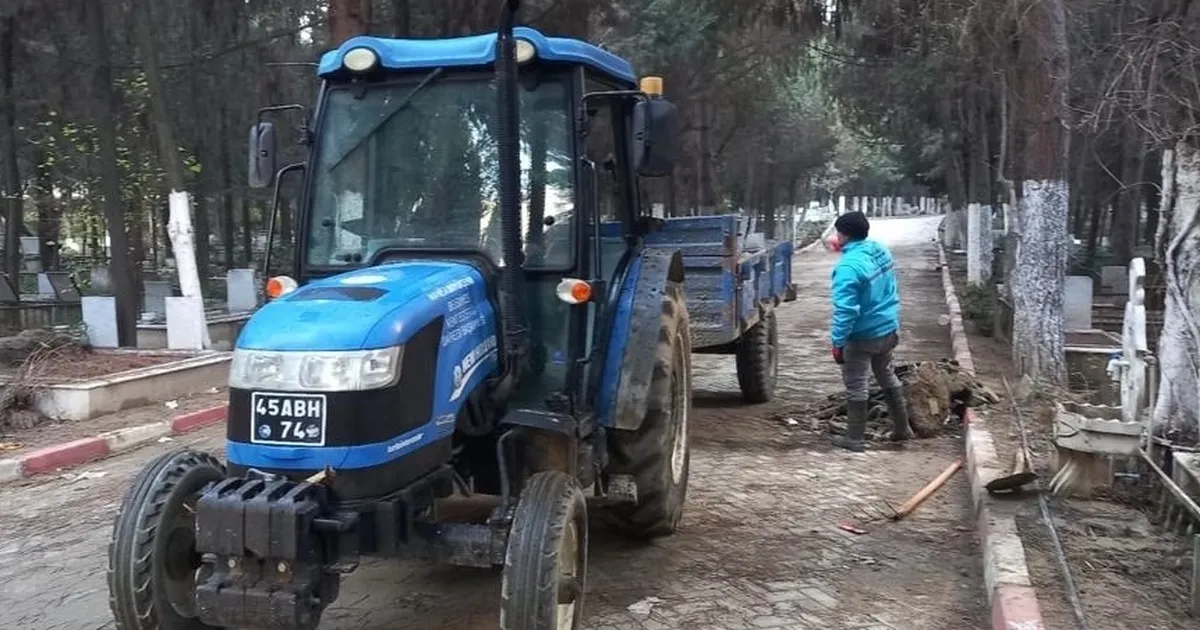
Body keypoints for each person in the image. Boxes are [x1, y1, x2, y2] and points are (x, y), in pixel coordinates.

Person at [826, 211, 912, 452]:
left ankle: (854, 438)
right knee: (886, 373)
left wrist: (838, 342)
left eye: (838, 233)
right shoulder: (879, 249)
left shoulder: (848, 268)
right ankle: (902, 429)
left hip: (862, 336)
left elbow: (846, 311)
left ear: (843, 235)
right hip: (888, 328)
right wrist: (846, 249)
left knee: (857, 384)